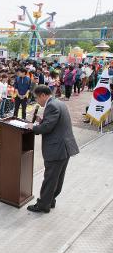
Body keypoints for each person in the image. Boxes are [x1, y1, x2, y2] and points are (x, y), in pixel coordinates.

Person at [26, 85, 79, 213]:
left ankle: (43, 205)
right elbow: (54, 122)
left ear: (43, 95)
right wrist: (42, 120)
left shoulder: (52, 106)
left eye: (37, 98)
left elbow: (47, 127)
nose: (37, 101)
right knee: (57, 177)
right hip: (64, 148)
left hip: (57, 149)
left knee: (50, 178)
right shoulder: (58, 103)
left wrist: (32, 127)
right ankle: (50, 200)